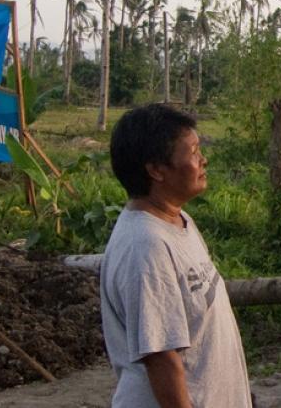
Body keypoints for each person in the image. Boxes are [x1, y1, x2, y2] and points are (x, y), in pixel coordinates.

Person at [100, 103, 251, 407]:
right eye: (193, 152)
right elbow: (162, 359)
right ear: (156, 169)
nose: (203, 159)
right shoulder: (146, 247)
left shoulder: (177, 222)